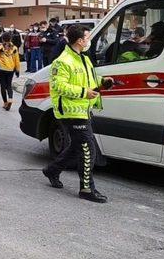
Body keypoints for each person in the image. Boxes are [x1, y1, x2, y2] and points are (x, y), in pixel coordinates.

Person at [42, 24, 114, 203]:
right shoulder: (63, 61)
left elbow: (90, 78)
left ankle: (52, 170)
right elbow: (59, 85)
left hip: (83, 108)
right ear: (80, 41)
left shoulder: (83, 58)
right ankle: (86, 188)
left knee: (76, 147)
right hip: (71, 111)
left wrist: (104, 82)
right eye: (88, 38)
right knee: (88, 148)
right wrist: (84, 92)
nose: (89, 41)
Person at [0, 32, 21, 111]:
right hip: (10, 69)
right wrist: (17, 70)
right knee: (9, 85)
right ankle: (10, 98)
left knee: (3, 86)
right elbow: (17, 60)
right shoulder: (14, 48)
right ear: (11, 39)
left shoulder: (0, 48)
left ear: (2, 39)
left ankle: (5, 103)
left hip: (1, 68)